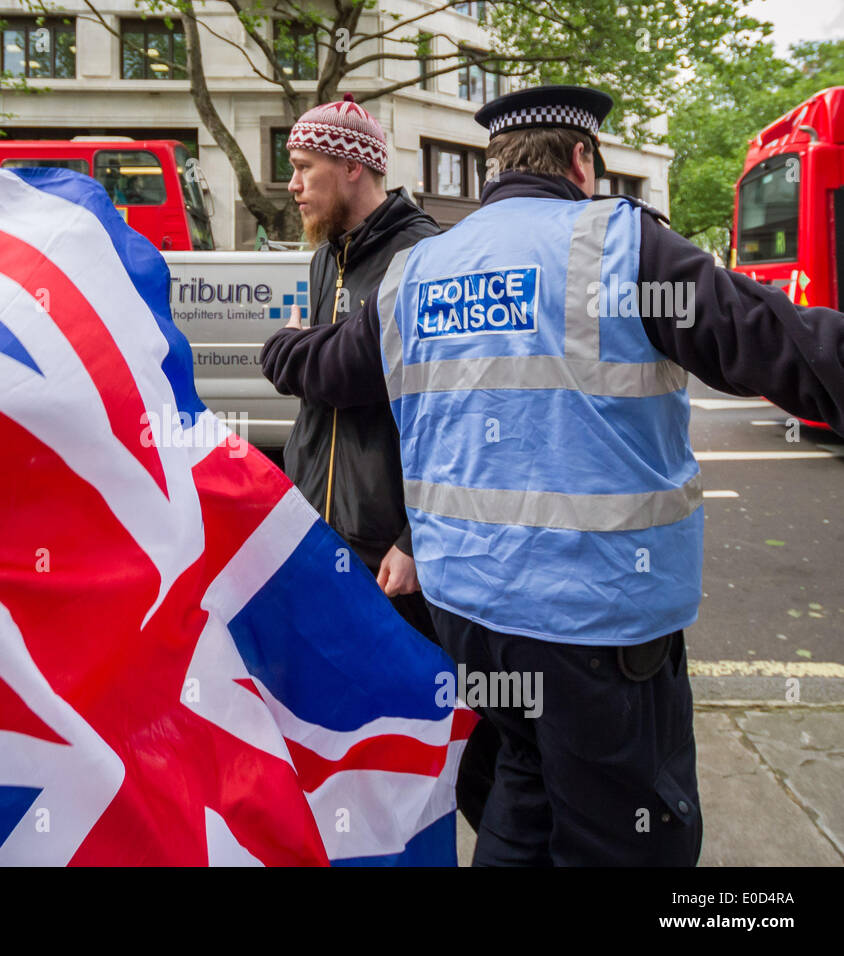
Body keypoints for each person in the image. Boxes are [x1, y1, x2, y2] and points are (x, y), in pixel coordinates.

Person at [258, 84, 844, 866]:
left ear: (493, 168)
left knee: (521, 803)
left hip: (470, 619)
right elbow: (780, 346)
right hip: (592, 629)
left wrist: (279, 347)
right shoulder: (619, 246)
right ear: (581, 161)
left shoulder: (421, 269)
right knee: (625, 836)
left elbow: (335, 366)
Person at [261, 93, 501, 831]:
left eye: (303, 167)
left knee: (437, 738)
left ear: (350, 166)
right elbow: (321, 397)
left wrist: (416, 534)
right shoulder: (323, 255)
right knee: (350, 736)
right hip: (327, 535)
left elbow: (458, 411)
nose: (292, 183)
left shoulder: (425, 257)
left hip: (396, 552)